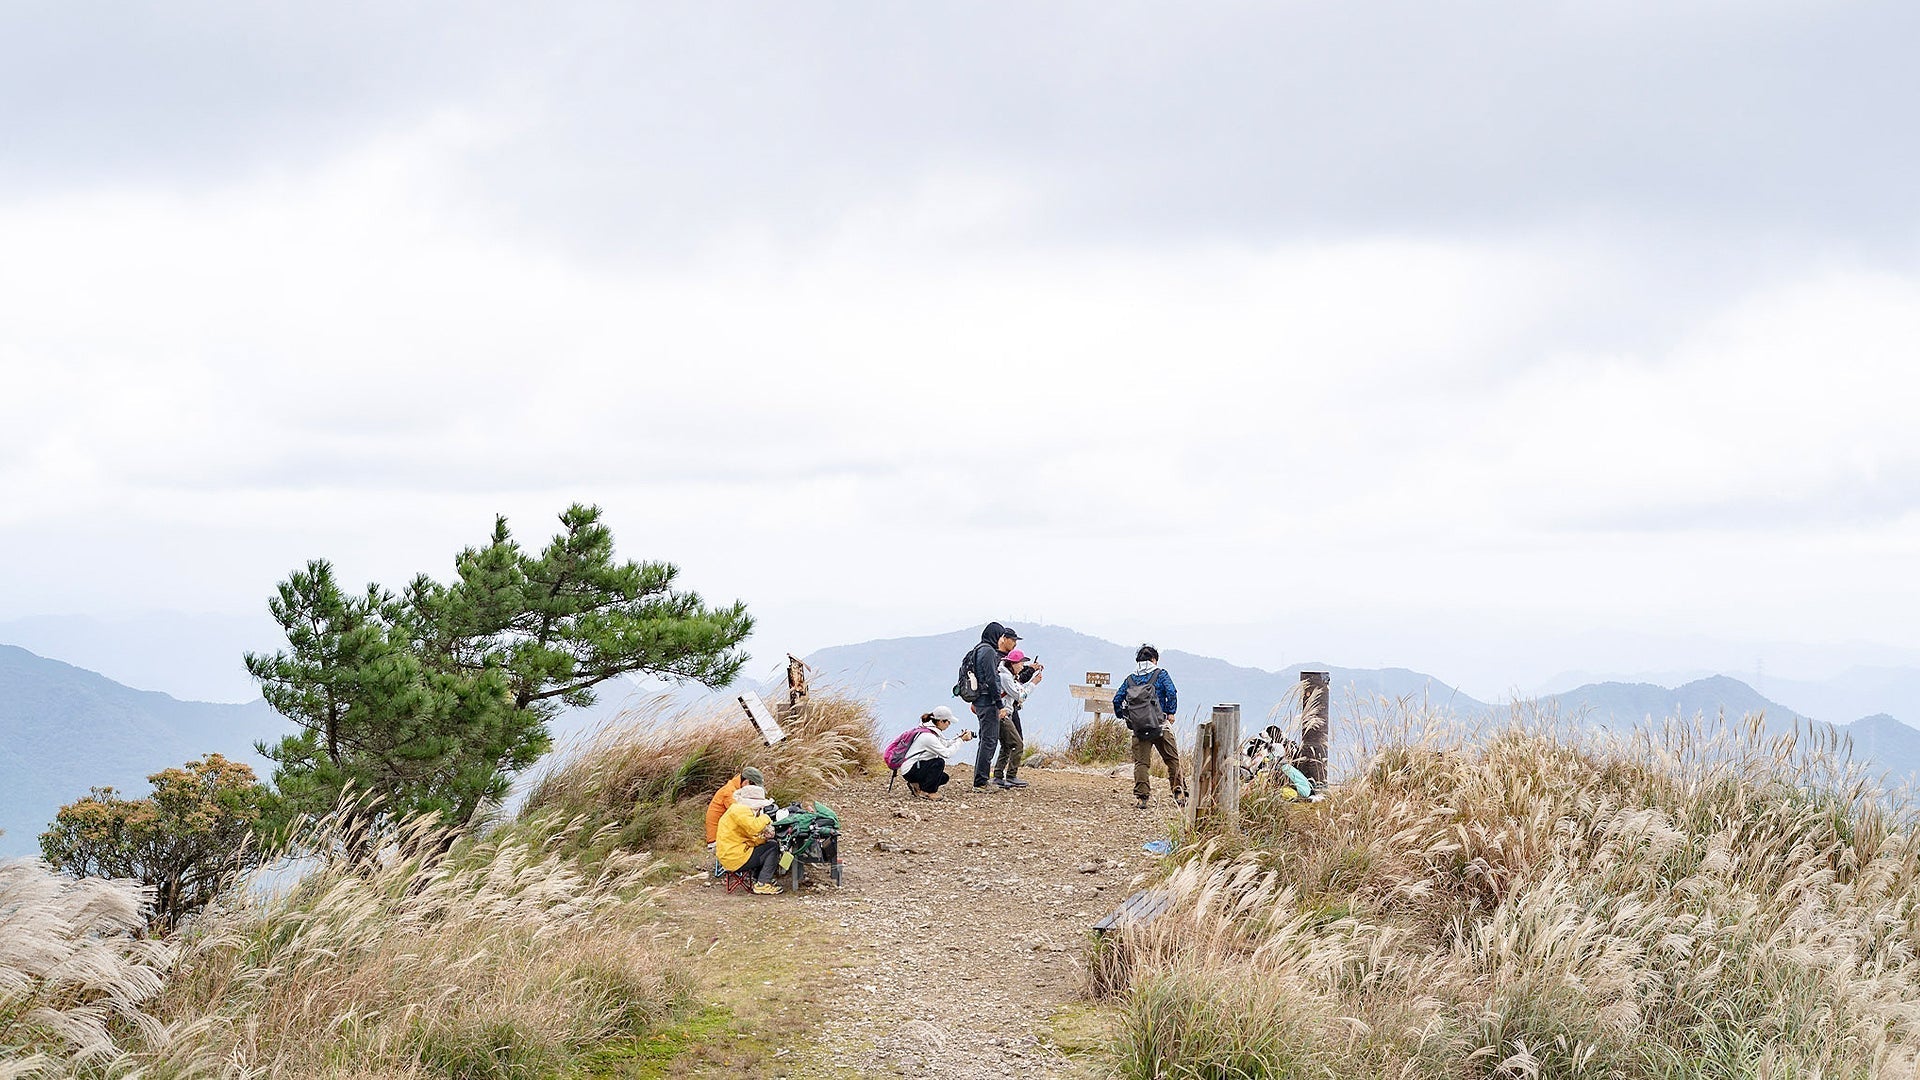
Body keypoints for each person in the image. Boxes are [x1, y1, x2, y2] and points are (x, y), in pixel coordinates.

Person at [1113, 643, 1187, 809]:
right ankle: (1179, 793)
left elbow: (1117, 700)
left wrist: (1126, 717)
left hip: (1139, 727)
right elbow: (1171, 692)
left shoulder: (1130, 679)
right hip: (1160, 725)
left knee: (1141, 763)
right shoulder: (1160, 675)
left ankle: (1142, 798)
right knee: (1172, 759)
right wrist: (1170, 712)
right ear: (1154, 660)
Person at [968, 622, 1018, 790]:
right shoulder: (988, 651)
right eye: (1000, 636)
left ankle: (979, 778)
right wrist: (999, 704)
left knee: (984, 741)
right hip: (988, 702)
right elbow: (991, 679)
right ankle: (981, 782)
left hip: (979, 700)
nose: (1001, 639)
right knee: (989, 741)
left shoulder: (978, 649)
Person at [715, 783, 784, 895]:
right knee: (773, 847)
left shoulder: (737, 810)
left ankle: (759, 879)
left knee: (767, 845)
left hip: (732, 854)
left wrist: (763, 839)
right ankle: (763, 883)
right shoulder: (741, 811)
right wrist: (766, 817)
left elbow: (748, 836)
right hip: (735, 857)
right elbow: (754, 827)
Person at [899, 705, 977, 800]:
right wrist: (960, 741)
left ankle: (916, 785)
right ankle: (928, 792)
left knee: (944, 778)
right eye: (948, 722)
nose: (949, 724)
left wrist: (959, 738)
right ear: (941, 721)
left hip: (915, 767)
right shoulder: (928, 736)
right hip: (911, 770)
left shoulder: (931, 731)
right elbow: (946, 753)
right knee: (939, 762)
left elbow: (944, 744)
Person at [992, 649, 1043, 788]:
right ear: (1013, 663)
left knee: (1007, 745)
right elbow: (1020, 696)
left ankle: (998, 775)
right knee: (1017, 744)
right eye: (1021, 663)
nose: (1022, 667)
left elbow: (1019, 691)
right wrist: (1033, 684)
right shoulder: (1006, 677)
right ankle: (1011, 776)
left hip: (1002, 714)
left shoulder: (1007, 675)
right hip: (1003, 714)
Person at [704, 765, 765, 849]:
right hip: (717, 841)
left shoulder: (735, 790)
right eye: (754, 787)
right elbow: (741, 817)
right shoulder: (729, 792)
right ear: (746, 782)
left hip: (724, 835)